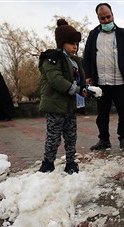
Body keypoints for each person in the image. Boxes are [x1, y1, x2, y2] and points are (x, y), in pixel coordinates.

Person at [83, 2, 124, 151]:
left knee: (123, 112)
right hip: (101, 83)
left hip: (120, 81)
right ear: (98, 18)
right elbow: (87, 56)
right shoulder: (93, 35)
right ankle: (104, 140)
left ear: (113, 15)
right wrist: (88, 75)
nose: (106, 20)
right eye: (102, 18)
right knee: (102, 114)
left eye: (108, 17)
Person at [38, 18, 86, 174]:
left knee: (71, 136)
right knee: (54, 136)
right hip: (55, 106)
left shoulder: (75, 61)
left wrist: (85, 89)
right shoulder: (52, 59)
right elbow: (56, 80)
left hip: (70, 107)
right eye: (71, 43)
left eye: (77, 43)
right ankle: (48, 162)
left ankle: (70, 161)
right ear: (62, 43)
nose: (75, 46)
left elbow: (80, 80)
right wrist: (75, 89)